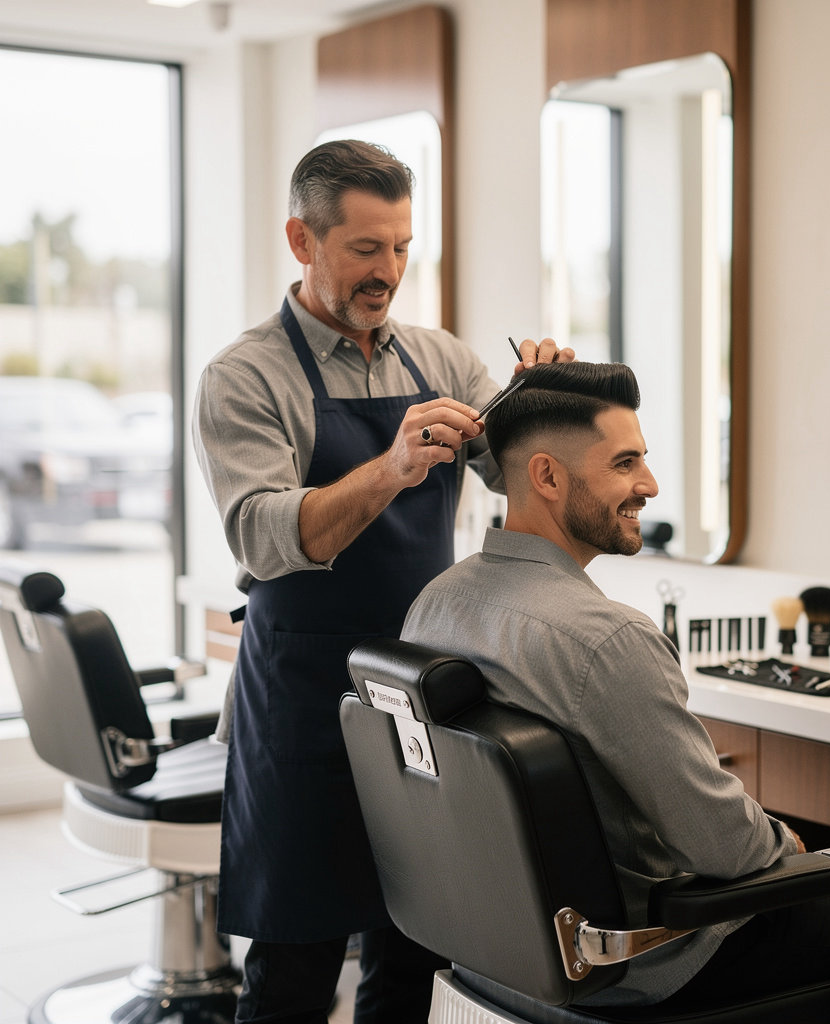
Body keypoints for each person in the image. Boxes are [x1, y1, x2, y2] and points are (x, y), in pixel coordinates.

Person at [401, 361, 830, 1020]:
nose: (650, 484)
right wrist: (788, 846)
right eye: (625, 463)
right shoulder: (605, 640)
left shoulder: (435, 604)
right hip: (655, 958)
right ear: (547, 476)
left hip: (503, 949)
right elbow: (730, 851)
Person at [192, 139, 572, 1024]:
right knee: (293, 972)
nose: (389, 271)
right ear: (302, 239)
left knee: (414, 957)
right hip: (301, 701)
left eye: (401, 246)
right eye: (366, 248)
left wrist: (546, 404)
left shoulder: (441, 360)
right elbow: (262, 535)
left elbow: (520, 476)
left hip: (420, 695)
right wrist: (391, 467)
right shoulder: (243, 377)